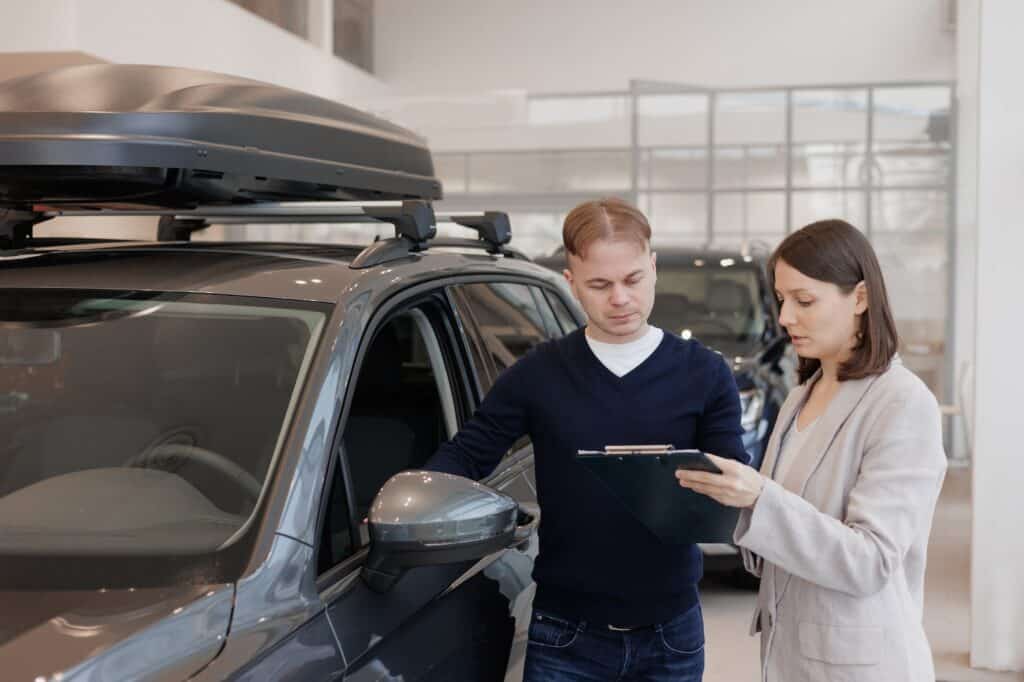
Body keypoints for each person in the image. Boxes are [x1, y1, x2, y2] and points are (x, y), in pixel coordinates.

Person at [426, 197, 748, 681]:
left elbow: (733, 483)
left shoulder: (705, 373)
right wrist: (412, 498)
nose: (620, 298)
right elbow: (468, 454)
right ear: (572, 281)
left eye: (633, 280)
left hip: (670, 632)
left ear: (653, 268)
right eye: (600, 284)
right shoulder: (538, 374)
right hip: (566, 633)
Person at [675, 219, 947, 682]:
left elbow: (871, 561)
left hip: (860, 663)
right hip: (791, 654)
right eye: (782, 300)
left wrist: (759, 498)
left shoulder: (902, 402)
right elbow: (778, 531)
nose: (784, 318)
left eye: (804, 301)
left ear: (860, 298)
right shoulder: (804, 393)